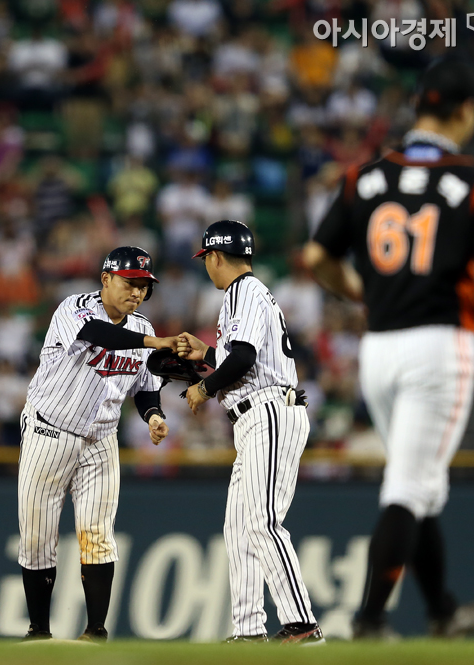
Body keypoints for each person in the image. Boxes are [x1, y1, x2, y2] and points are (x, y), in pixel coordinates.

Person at [303, 59, 474, 639]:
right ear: (464, 112)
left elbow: (316, 258)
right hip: (440, 347)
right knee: (409, 486)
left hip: (379, 350)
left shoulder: (365, 177)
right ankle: (369, 620)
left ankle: (441, 610)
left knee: (420, 480)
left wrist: (361, 289)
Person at [176, 220, 324, 645]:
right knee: (239, 527)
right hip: (256, 415)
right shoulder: (250, 294)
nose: (206, 265)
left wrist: (204, 386)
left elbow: (242, 358)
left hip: (269, 412)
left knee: (262, 521)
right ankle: (248, 631)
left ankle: (302, 625)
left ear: (216, 257)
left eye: (207, 258)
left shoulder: (242, 292)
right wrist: (205, 354)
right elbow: (240, 355)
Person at [19, 246, 177, 641]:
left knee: (98, 533)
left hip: (101, 440)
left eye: (144, 286)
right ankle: (39, 631)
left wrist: (153, 415)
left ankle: (96, 631)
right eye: (130, 282)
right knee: (38, 535)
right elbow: (98, 335)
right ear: (106, 279)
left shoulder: (144, 329)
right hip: (49, 430)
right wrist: (153, 343)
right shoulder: (74, 308)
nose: (138, 292)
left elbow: (145, 389)